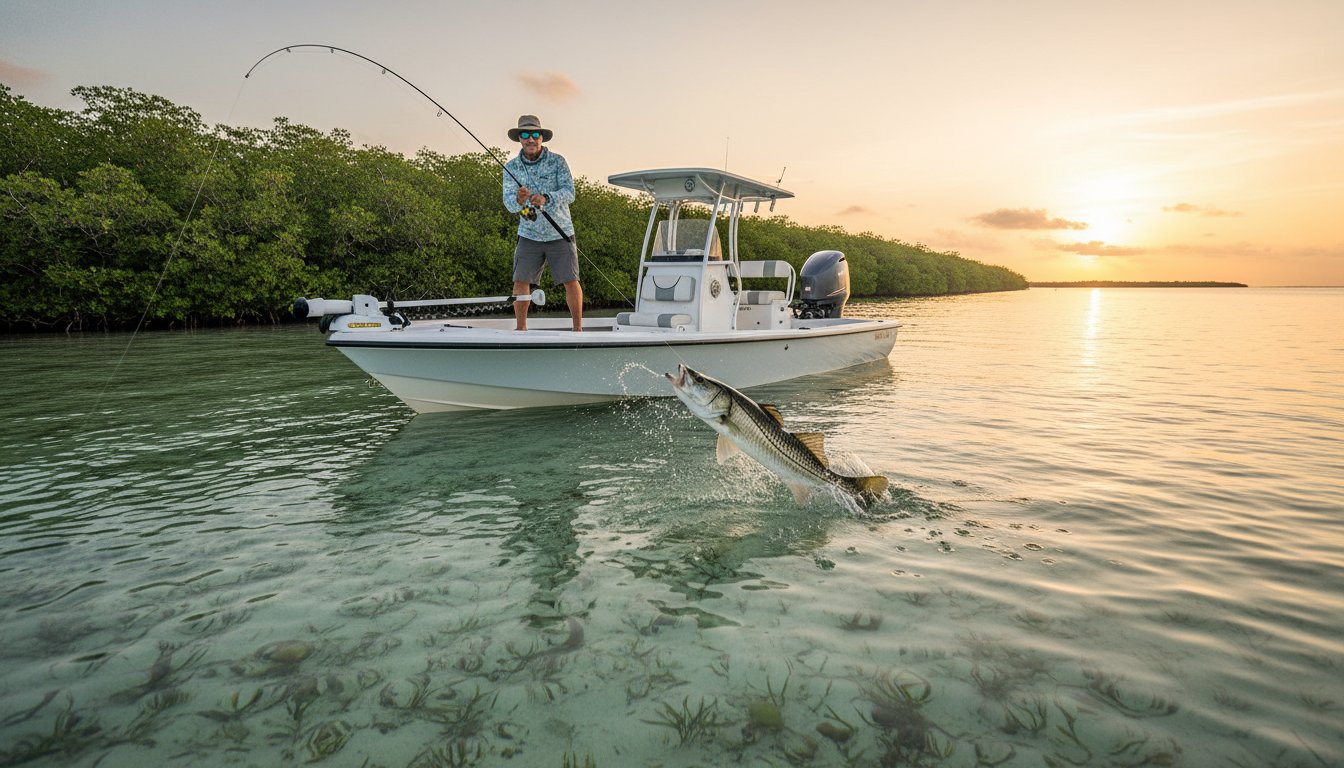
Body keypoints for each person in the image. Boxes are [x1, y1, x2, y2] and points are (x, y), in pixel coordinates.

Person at [502, 115, 582, 331]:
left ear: (542, 137)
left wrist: (547, 198)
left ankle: (578, 331)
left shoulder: (558, 161)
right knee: (520, 281)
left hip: (560, 231)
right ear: (519, 139)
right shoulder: (511, 167)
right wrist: (519, 200)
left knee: (571, 280)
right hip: (529, 233)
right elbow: (509, 204)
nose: (530, 139)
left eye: (535, 134)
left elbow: (570, 193)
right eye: (525, 134)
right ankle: (520, 330)